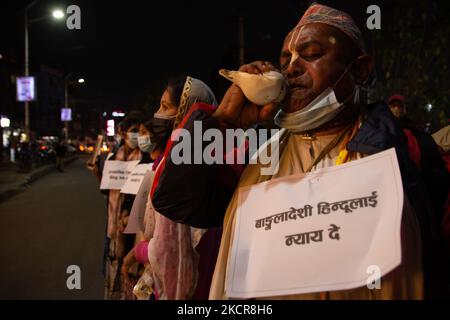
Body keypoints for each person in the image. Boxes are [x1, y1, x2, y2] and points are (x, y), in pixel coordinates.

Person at [151, 4, 447, 299]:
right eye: (286, 61)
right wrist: (222, 121)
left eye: (311, 54)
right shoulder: (259, 154)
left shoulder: (405, 149)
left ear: (359, 69)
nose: (291, 68)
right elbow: (174, 199)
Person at [132, 75, 223, 299]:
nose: (158, 114)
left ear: (187, 112)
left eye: (165, 106)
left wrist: (137, 251)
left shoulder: (178, 169)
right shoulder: (215, 156)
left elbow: (166, 252)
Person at [102, 112, 142, 300]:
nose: (136, 136)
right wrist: (97, 174)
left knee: (129, 272)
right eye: (133, 132)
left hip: (131, 225)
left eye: (138, 132)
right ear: (124, 133)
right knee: (111, 269)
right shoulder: (112, 159)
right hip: (112, 225)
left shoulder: (144, 158)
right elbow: (106, 191)